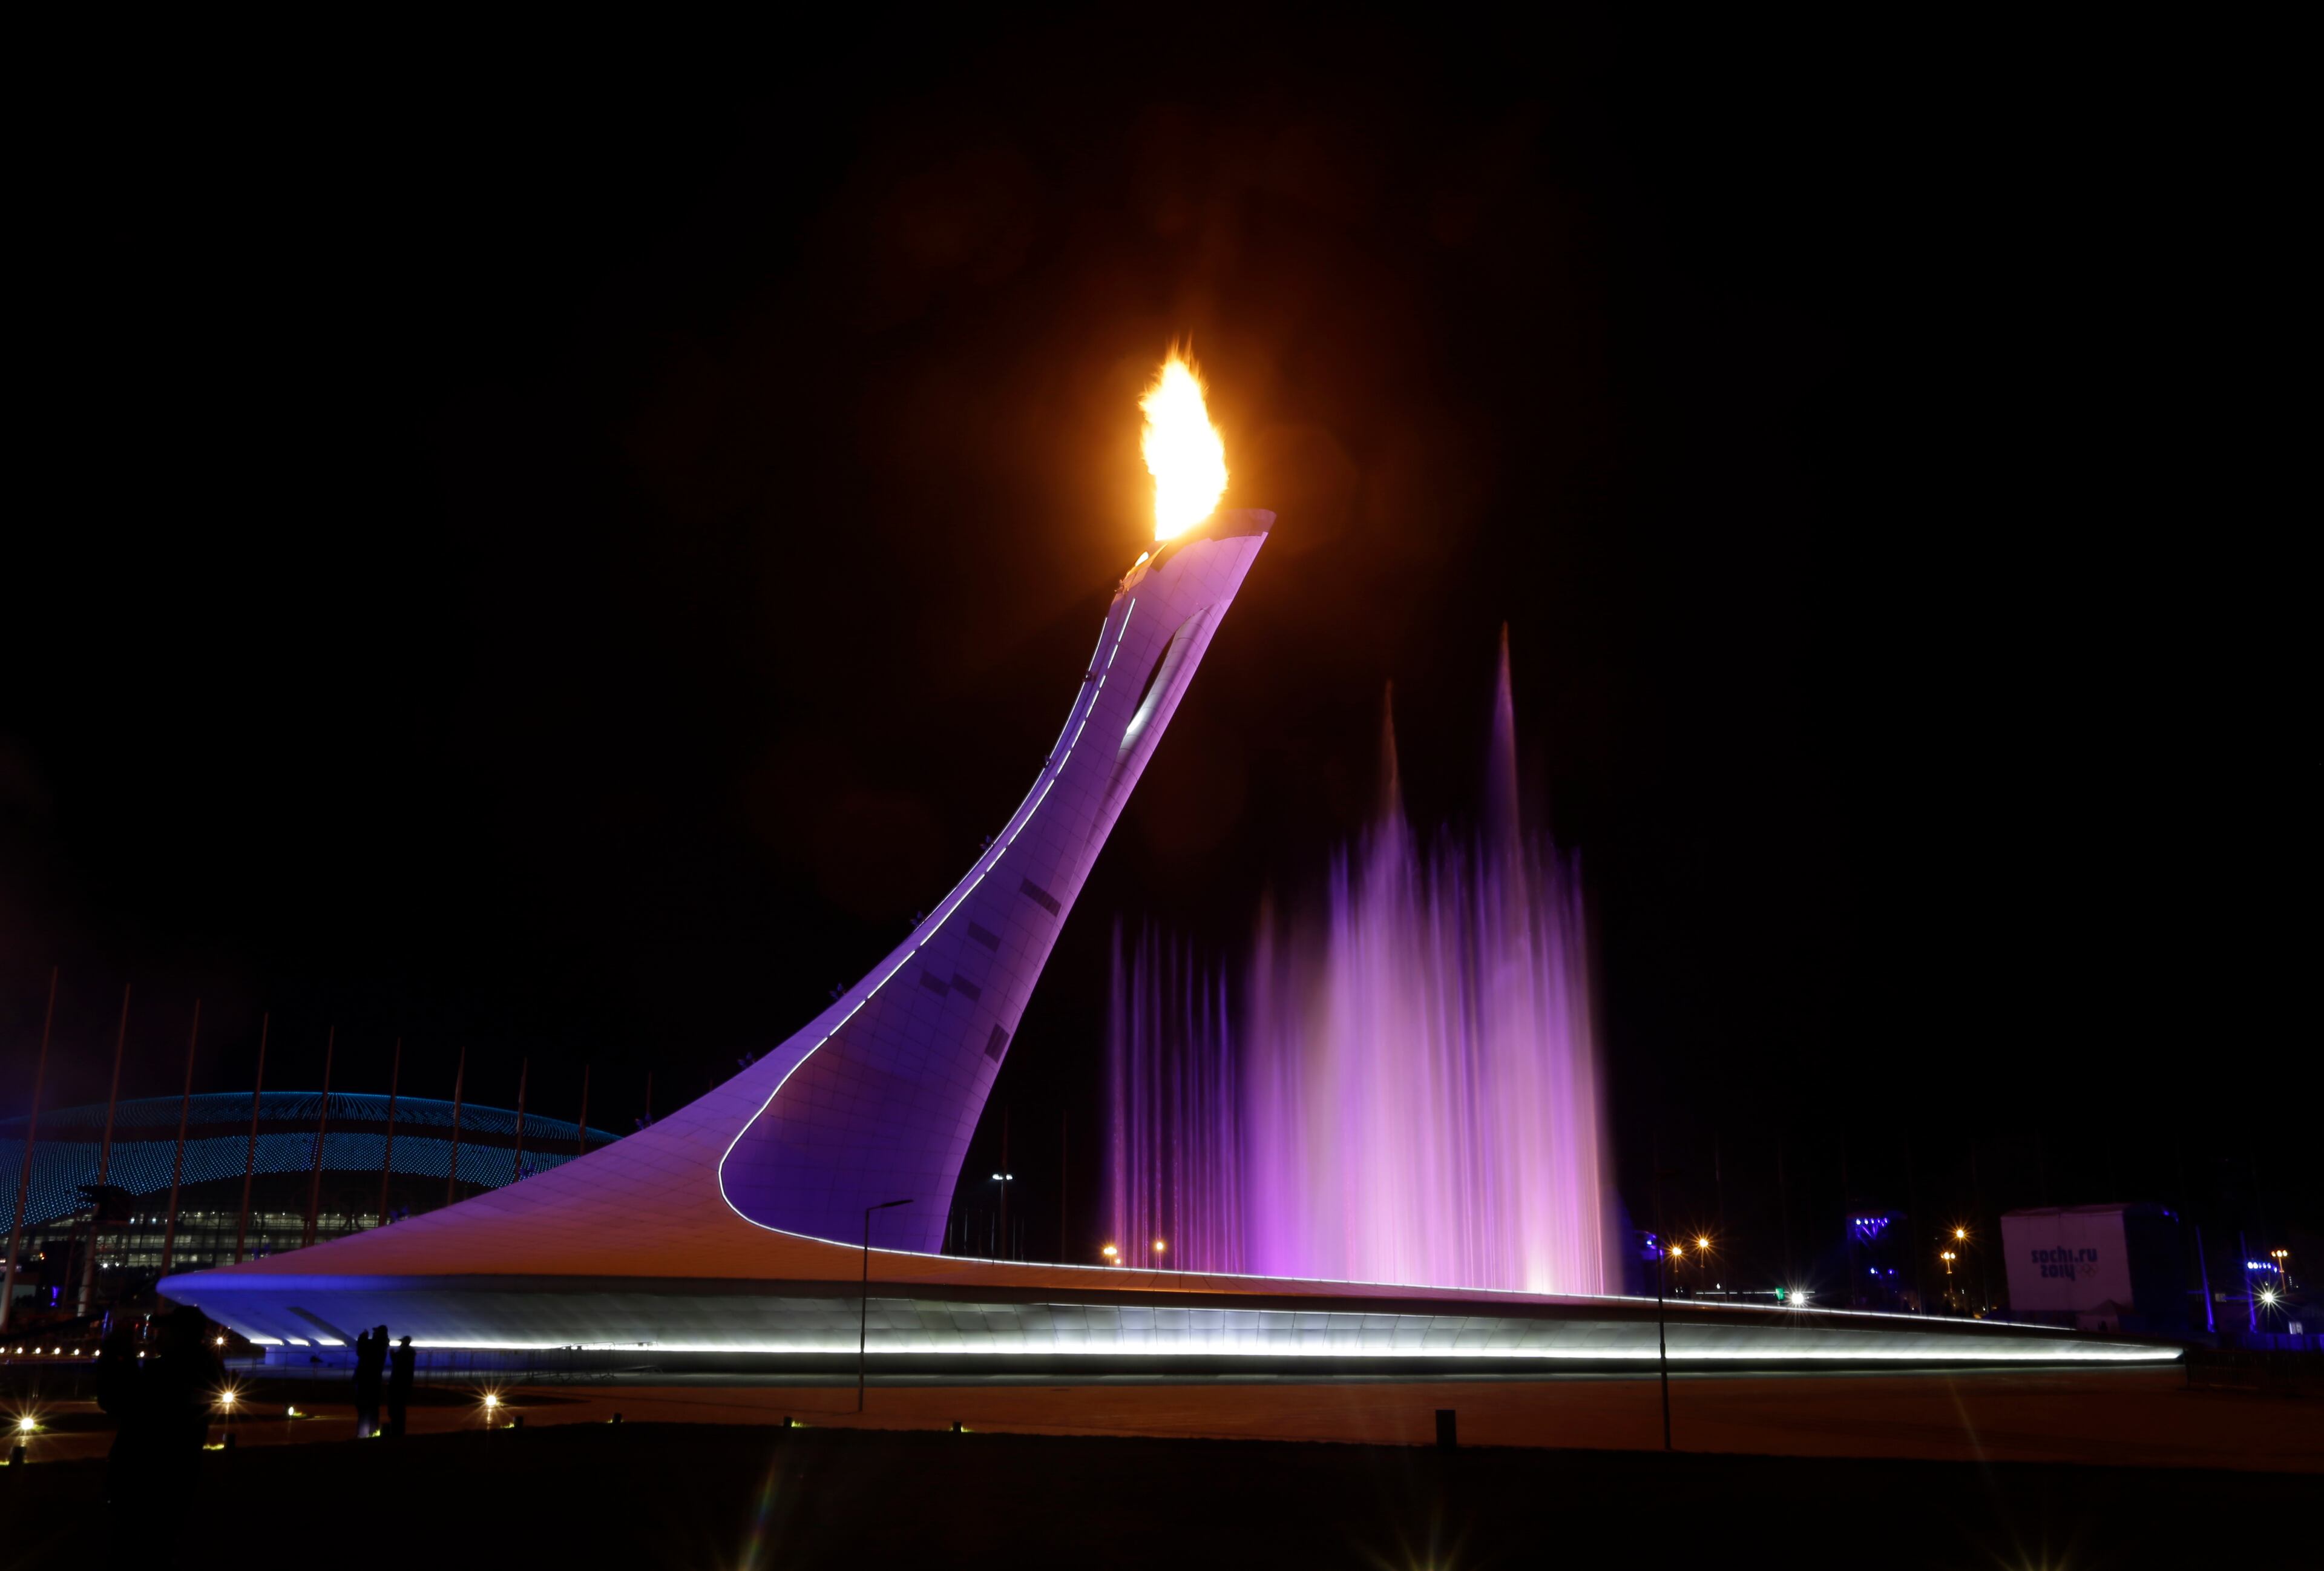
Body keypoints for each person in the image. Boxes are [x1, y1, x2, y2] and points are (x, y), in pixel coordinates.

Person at [387, 1334, 415, 1437]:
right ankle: (399, 1430)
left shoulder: (403, 1353)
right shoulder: (410, 1353)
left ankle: (396, 1430)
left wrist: (392, 1355)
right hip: (405, 1383)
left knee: (396, 1407)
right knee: (401, 1407)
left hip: (398, 1382)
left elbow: (398, 1364)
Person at [353, 1328, 377, 1435]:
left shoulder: (365, 1357)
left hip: (364, 1382)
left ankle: (363, 1434)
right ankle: (369, 1432)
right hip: (369, 1381)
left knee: (364, 1409)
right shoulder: (374, 1350)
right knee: (368, 1409)